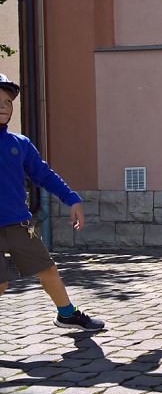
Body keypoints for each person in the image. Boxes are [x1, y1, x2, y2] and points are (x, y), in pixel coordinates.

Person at [0, 74, 105, 331]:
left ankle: (67, 315)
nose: (4, 106)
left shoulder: (20, 144)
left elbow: (44, 175)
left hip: (18, 223)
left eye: (8, 102)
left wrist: (72, 199)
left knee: (47, 269)